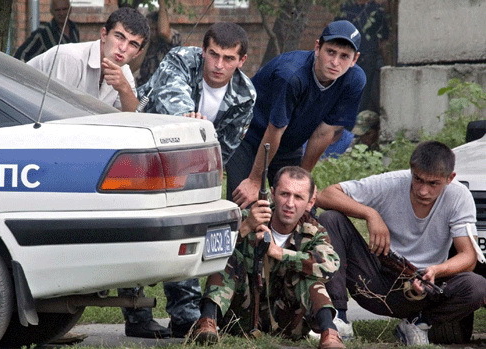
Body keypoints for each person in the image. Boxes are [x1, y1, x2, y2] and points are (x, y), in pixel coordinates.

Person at [121, 22, 256, 339]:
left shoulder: (245, 94)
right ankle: (137, 314)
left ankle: (185, 315)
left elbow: (225, 150)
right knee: (143, 233)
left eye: (228, 58)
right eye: (213, 55)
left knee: (190, 233)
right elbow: (174, 101)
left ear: (241, 61)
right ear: (203, 50)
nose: (218, 65)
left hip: (191, 168)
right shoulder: (182, 59)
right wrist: (191, 122)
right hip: (143, 157)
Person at [314, 141, 486, 346]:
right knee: (331, 219)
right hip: (377, 279)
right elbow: (326, 195)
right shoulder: (393, 182)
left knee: (477, 285)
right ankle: (338, 318)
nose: (423, 190)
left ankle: (417, 325)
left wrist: (437, 270)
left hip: (425, 287)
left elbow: (469, 256)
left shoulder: (459, 196)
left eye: (433, 184)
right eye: (418, 180)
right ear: (411, 171)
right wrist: (370, 214)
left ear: (450, 178)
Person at [191, 166, 344, 349]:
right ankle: (207, 323)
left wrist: (278, 252)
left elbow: (330, 265)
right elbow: (207, 252)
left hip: (287, 321)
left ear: (310, 203)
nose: (290, 203)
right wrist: (245, 228)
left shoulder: (313, 232)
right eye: (284, 194)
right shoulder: (249, 218)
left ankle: (330, 333)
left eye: (298, 197)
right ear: (272, 194)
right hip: (240, 316)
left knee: (309, 271)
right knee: (230, 257)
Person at [227, 20, 366, 209]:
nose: (335, 62)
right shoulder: (291, 74)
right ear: (318, 47)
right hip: (247, 136)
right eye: (330, 52)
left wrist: (303, 181)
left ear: (354, 59)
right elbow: (274, 129)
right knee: (243, 205)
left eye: (344, 56)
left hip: (288, 143)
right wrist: (253, 180)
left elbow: (324, 132)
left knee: (299, 208)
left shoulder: (354, 81)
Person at [27, 7, 149, 112]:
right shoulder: (70, 58)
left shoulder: (124, 72)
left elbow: (133, 120)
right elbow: (52, 112)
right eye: (119, 37)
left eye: (133, 44)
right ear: (104, 35)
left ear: (138, 53)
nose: (123, 48)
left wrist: (124, 88)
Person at [336, 0, 389, 114]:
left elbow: (383, 38)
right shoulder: (345, 8)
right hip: (346, 56)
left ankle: (355, 124)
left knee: (363, 93)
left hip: (368, 57)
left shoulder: (376, 10)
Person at [133, 0, 182, 86]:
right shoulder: (144, 41)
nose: (154, 33)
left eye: (156, 29)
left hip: (166, 87)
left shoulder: (173, 37)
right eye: (151, 29)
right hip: (144, 88)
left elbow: (163, 32)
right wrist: (146, 40)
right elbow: (134, 67)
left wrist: (162, 4)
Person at [14, 0, 80, 62]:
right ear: (52, 11)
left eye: (64, 9)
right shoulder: (43, 32)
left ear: (70, 9)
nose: (61, 13)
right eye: (57, 10)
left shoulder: (74, 29)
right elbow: (20, 54)